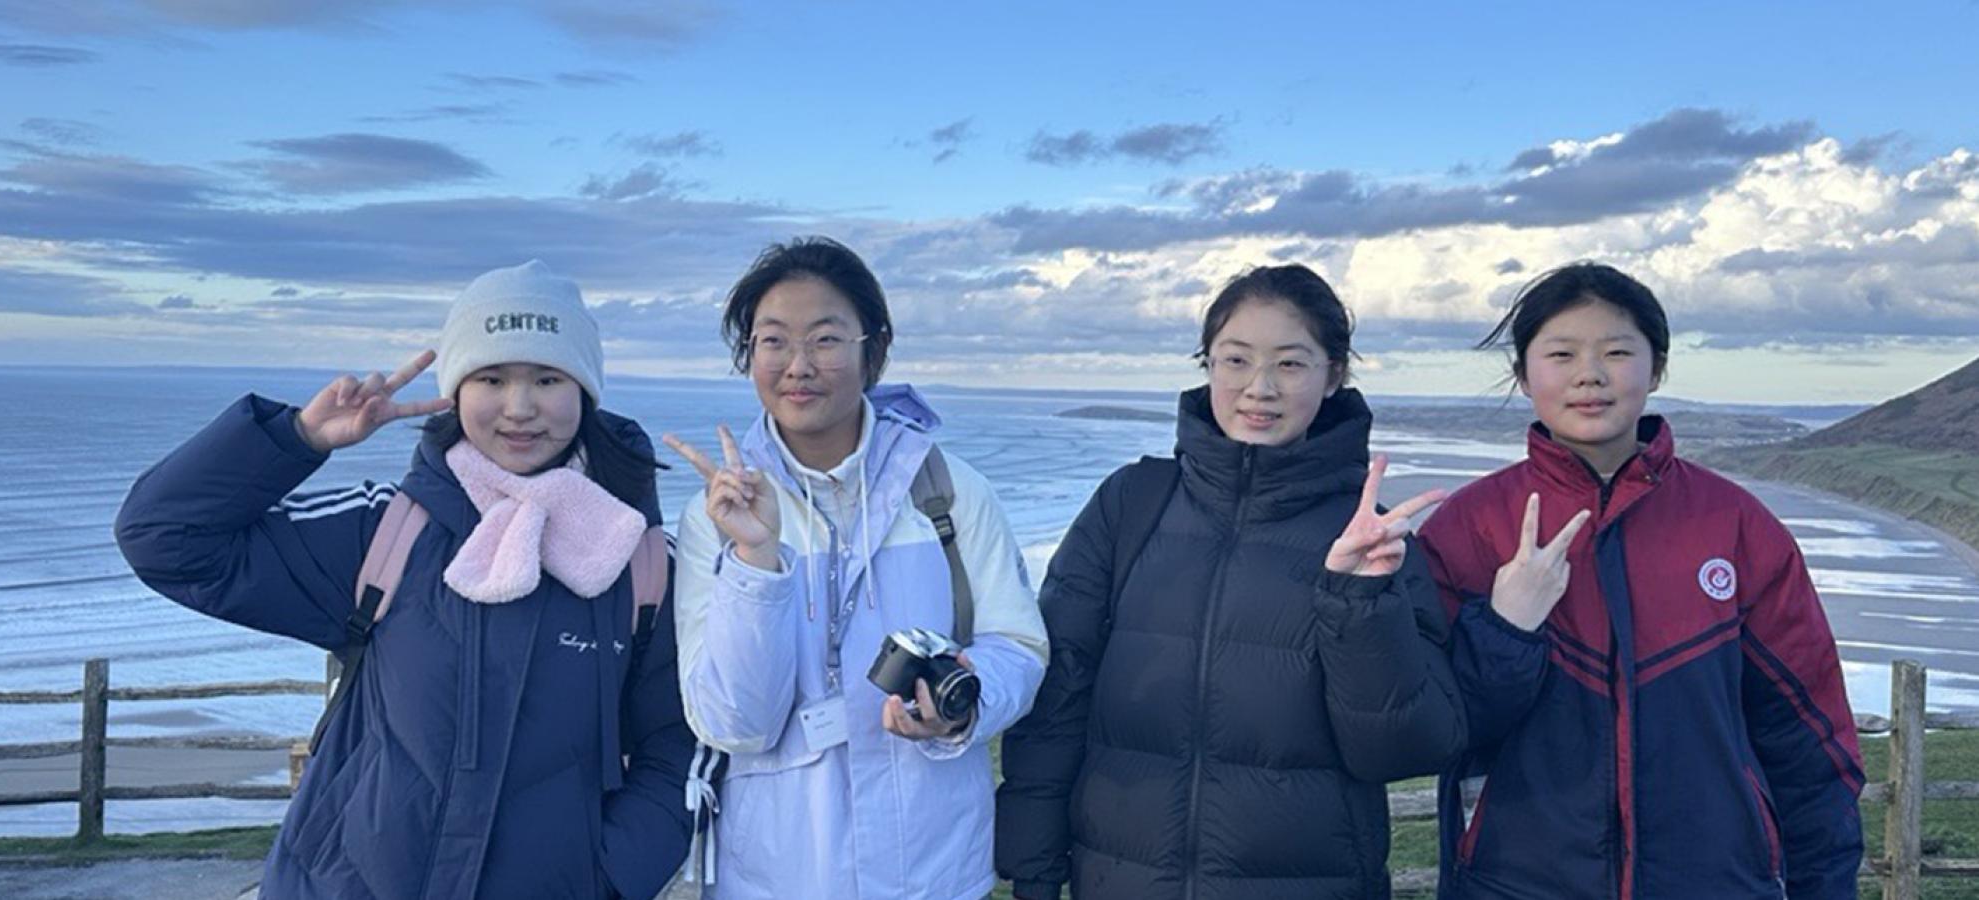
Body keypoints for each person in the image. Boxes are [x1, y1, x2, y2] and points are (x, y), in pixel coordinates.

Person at [115, 260, 694, 899]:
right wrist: (300, 438)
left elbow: (677, 743)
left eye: (548, 378)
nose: (520, 408)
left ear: (584, 392)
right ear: (454, 390)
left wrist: (606, 879)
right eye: (492, 377)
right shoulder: (386, 529)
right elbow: (164, 540)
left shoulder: (640, 563)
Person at [995, 264, 1467, 900]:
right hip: (1119, 879)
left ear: (1334, 375)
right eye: (1235, 360)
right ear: (1207, 365)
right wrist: (1032, 869)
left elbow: (1403, 750)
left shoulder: (1371, 540)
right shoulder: (1132, 504)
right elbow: (1057, 696)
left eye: (1291, 364)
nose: (1259, 388)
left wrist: (1359, 606)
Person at [1419, 262, 1863, 900]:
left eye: (1617, 352)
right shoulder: (1472, 527)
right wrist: (1506, 630)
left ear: (1656, 369)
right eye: (1562, 354)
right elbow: (1438, 729)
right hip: (1514, 883)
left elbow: (1808, 737)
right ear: (1523, 375)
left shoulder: (1733, 524)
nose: (1590, 374)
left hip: (1717, 881)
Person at [664, 236, 1047, 899]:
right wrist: (758, 561)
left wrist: (960, 704)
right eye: (773, 341)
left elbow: (1018, 645)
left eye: (826, 339)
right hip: (775, 876)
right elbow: (733, 725)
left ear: (873, 348)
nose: (798, 365)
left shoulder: (948, 492)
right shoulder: (716, 519)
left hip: (934, 874)